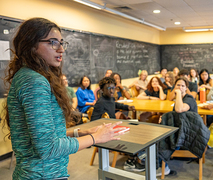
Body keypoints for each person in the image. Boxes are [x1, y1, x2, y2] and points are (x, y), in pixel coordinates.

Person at [3, 18, 125, 179]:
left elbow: (45, 136)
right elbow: (48, 148)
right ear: (31, 45)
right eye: (53, 42)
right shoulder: (34, 81)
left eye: (61, 43)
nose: (61, 49)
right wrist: (95, 137)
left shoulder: (28, 76)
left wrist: (81, 132)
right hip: (43, 175)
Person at [156, 77, 197, 176]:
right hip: (181, 130)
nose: (180, 87)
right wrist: (165, 117)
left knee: (161, 138)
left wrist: (178, 93)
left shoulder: (189, 99)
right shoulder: (180, 99)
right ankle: (157, 163)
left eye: (183, 86)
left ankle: (161, 166)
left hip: (188, 134)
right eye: (178, 85)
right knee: (158, 133)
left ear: (186, 88)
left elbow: (179, 109)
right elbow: (176, 114)